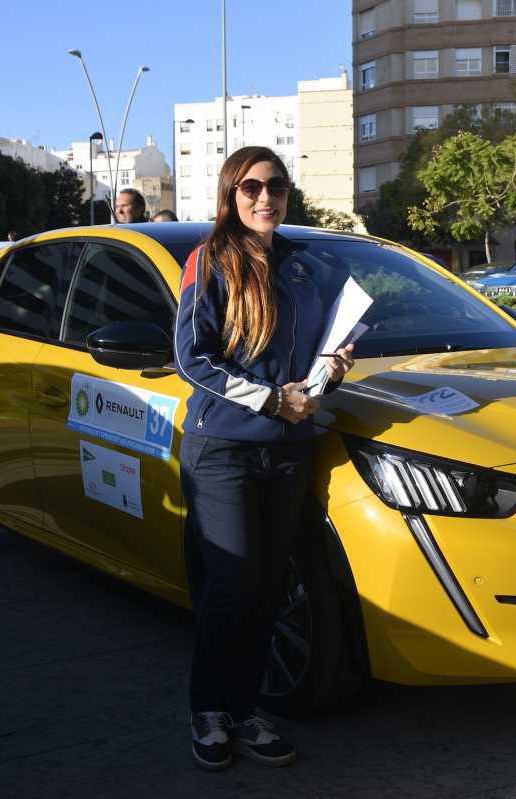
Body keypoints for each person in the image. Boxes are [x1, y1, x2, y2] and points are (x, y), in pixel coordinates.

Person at [173, 146, 355, 770]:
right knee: (231, 583)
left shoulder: (304, 268)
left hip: (287, 452)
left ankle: (244, 710)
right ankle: (207, 709)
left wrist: (330, 371)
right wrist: (272, 401)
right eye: (250, 187)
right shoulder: (210, 260)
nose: (264, 197)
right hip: (223, 448)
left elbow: (314, 362)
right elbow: (192, 358)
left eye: (275, 186)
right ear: (230, 194)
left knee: (269, 586)